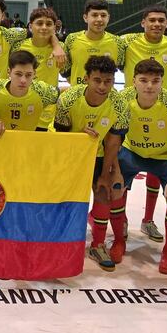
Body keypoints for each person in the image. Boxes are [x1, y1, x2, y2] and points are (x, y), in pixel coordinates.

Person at [98, 59, 167, 274]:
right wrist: (115, 170)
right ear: (134, 81)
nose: (149, 86)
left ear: (162, 82)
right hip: (132, 151)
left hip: (166, 155)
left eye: (155, 81)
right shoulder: (122, 99)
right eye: (144, 80)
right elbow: (114, 136)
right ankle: (119, 241)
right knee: (115, 189)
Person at [118, 5, 167, 241]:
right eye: (152, 20)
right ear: (143, 22)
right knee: (117, 182)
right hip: (134, 117)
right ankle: (120, 227)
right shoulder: (126, 42)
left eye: (161, 20)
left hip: (162, 118)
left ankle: (149, 222)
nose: (157, 24)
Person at [55, 55, 124, 271]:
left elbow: (113, 143)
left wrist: (106, 174)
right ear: (86, 79)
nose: (103, 86)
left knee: (104, 192)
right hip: (71, 152)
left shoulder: (120, 104)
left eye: (108, 81)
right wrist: (80, 137)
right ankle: (61, 240)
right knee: (65, 195)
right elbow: (61, 137)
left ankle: (97, 244)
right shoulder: (68, 100)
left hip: (101, 153)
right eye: (97, 80)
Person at [0, 50, 59, 132]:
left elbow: (64, 97)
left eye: (28, 75)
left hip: (25, 144)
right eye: (18, 74)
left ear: (34, 74)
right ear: (9, 72)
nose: (23, 80)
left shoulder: (43, 91)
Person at [14, 7, 67, 130]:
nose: (44, 27)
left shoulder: (61, 49)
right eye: (39, 23)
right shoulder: (19, 46)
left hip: (47, 112)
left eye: (49, 24)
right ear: (30, 26)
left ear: (54, 28)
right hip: (21, 108)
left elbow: (69, 75)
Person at [64, 0, 124, 87]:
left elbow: (122, 67)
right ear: (85, 18)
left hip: (106, 97)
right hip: (78, 96)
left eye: (103, 15)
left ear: (108, 18)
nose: (99, 19)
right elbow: (65, 71)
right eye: (94, 15)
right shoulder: (72, 39)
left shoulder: (117, 42)